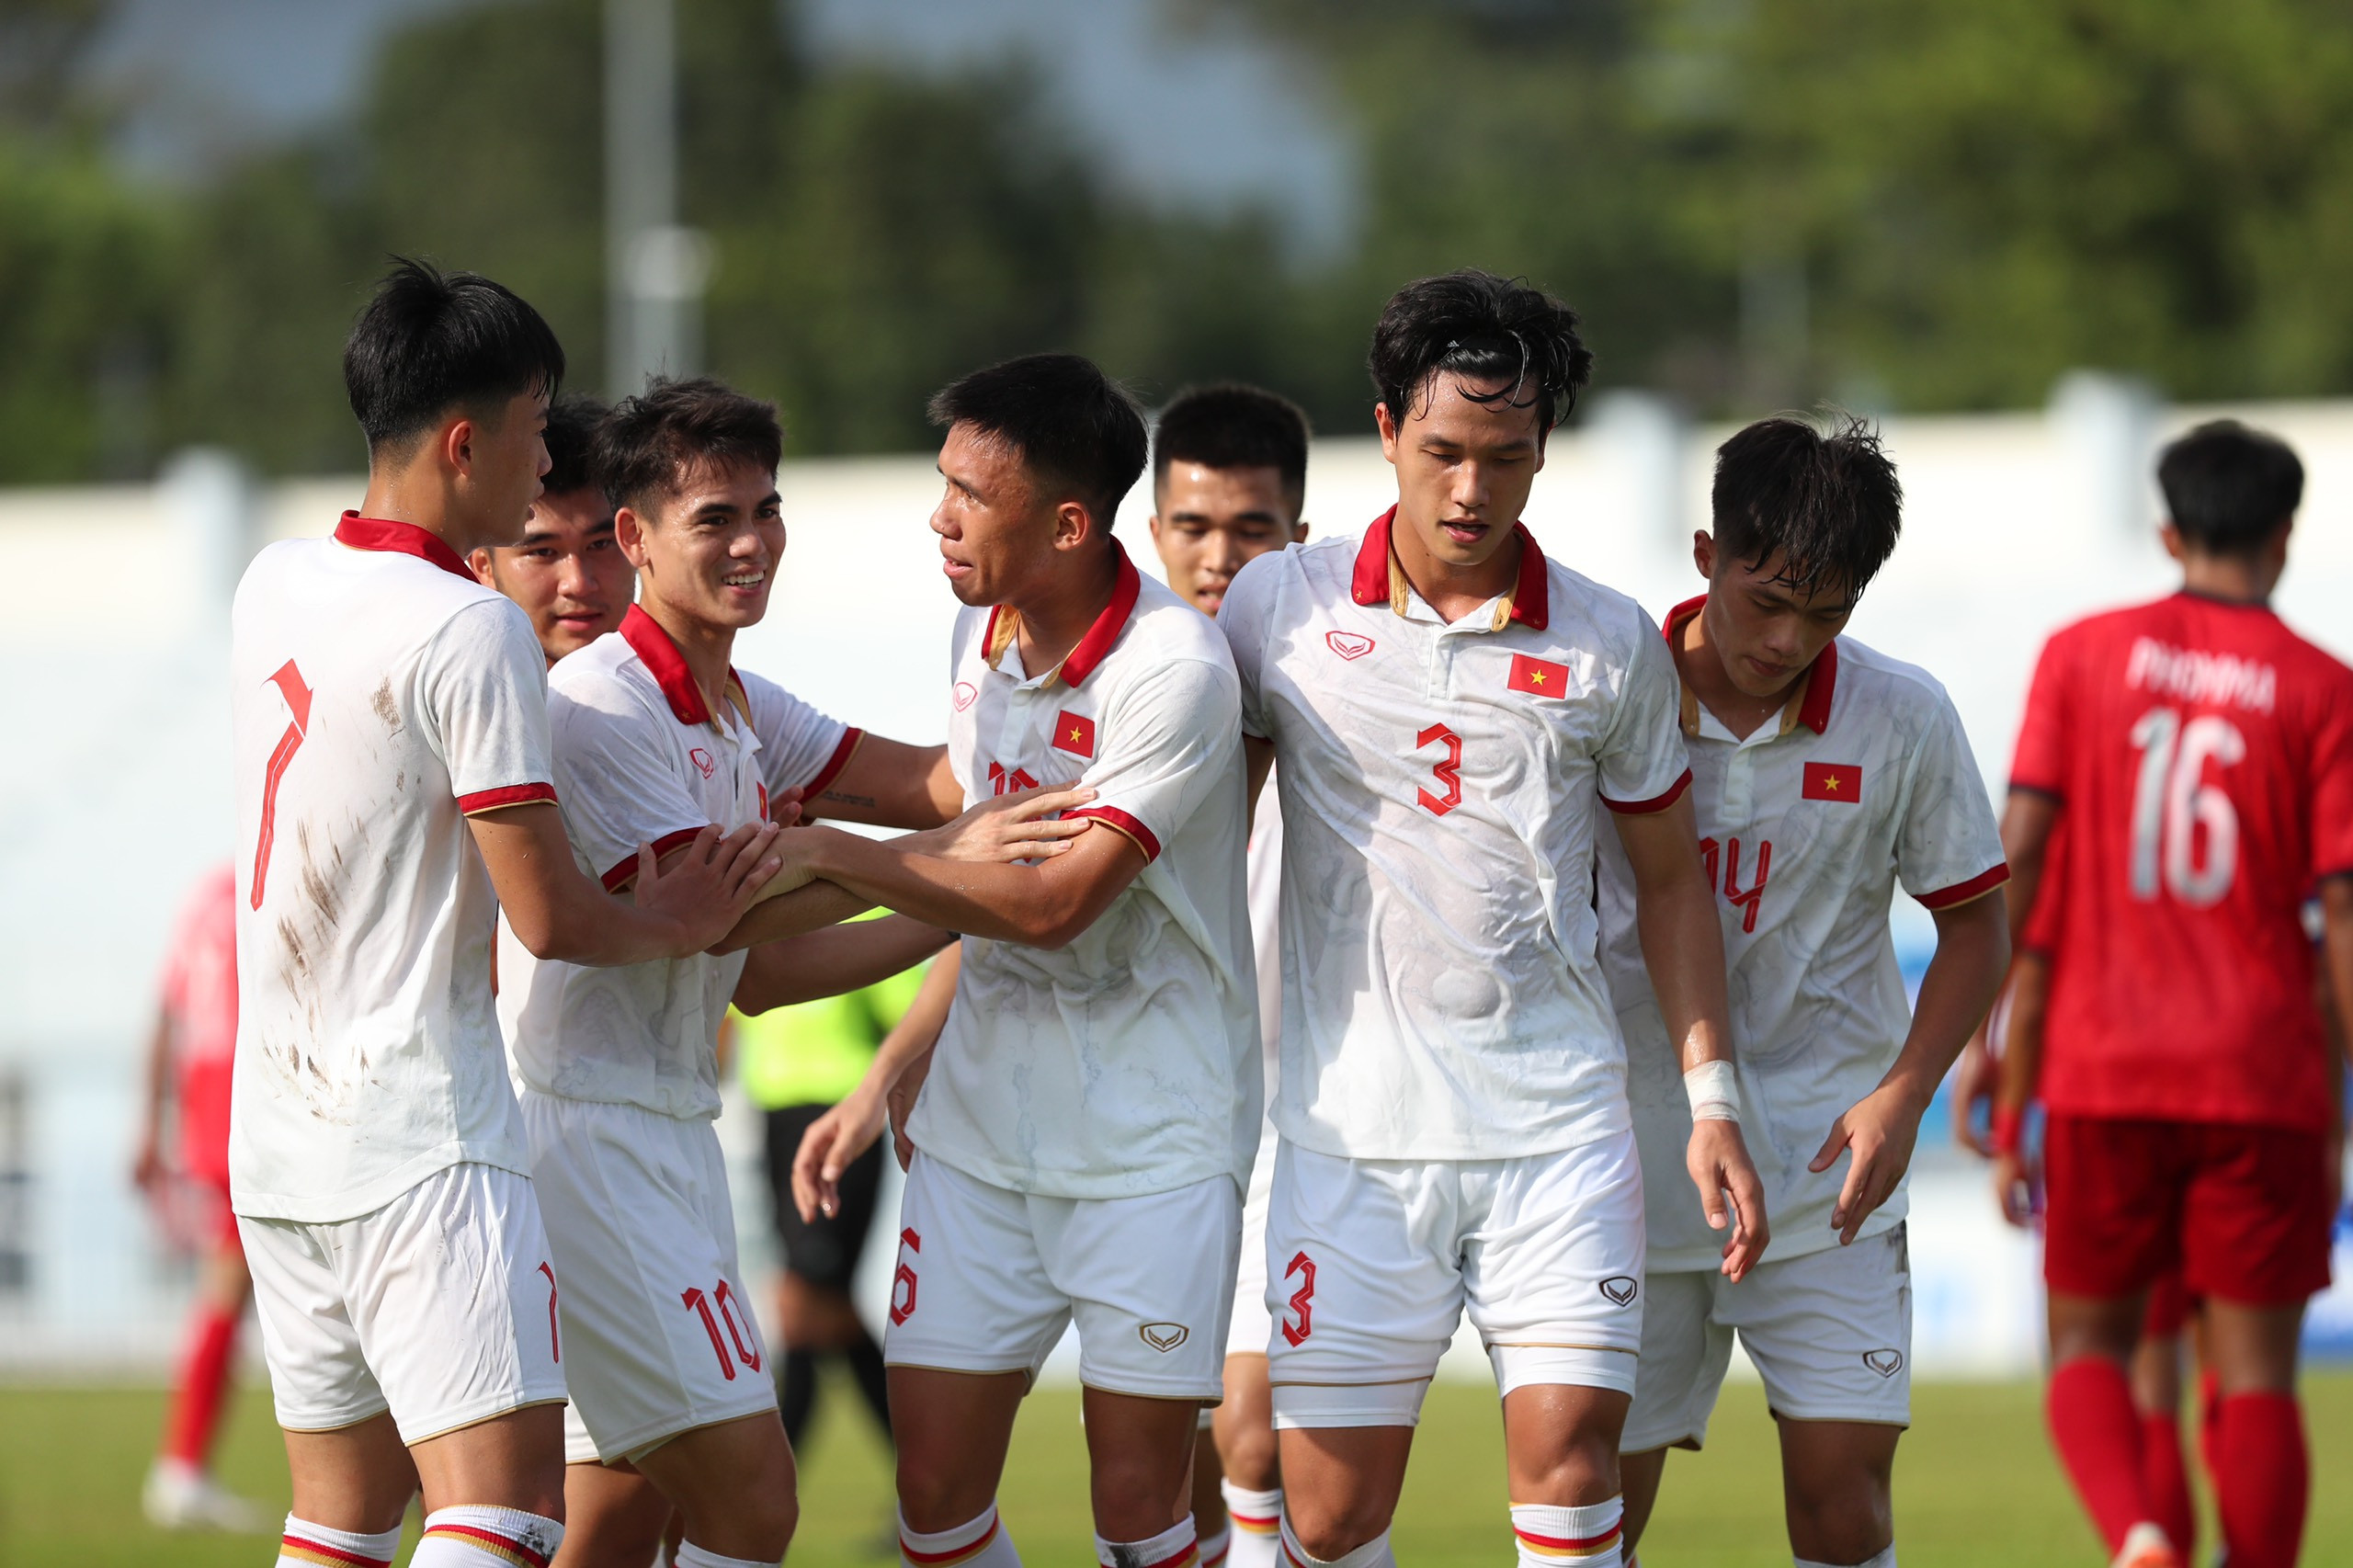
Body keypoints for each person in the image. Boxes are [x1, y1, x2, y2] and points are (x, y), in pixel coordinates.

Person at [230, 258, 791, 1568]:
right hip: (424, 1130)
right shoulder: (471, 628)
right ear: (468, 441)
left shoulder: (273, 581)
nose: (549, 467)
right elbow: (555, 916)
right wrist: (687, 916)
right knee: (506, 1511)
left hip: (277, 1132)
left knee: (344, 1516)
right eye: (540, 433)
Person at [1213, 269, 1768, 1568]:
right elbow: (1198, 840)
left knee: (1576, 1479)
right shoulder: (1277, 612)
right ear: (1389, 430)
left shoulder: (1611, 642)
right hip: (1351, 1137)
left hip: (1557, 1131)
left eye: (1507, 458)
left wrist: (1713, 1098)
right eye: (1446, 451)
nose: (1471, 489)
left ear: (1543, 454)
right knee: (1332, 1517)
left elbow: (1672, 881)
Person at [495, 376, 1088, 1568]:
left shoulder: (740, 707)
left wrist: (1055, 675)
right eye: (714, 518)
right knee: (756, 1499)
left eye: (766, 510)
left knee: (621, 1514)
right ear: (638, 538)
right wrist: (929, 860)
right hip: (587, 1137)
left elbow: (931, 795)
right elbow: (719, 918)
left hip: (668, 1133)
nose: (752, 541)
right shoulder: (601, 702)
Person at [785, 352, 1259, 1568]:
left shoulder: (1177, 670)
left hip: (1153, 1141)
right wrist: (892, 1067)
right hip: (983, 1134)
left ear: (1066, 522)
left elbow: (1047, 903)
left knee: (1141, 1511)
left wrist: (837, 852)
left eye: (969, 496)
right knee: (933, 1498)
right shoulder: (978, 627)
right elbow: (959, 805)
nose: (939, 516)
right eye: (941, 484)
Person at [1598, 416, 2011, 1568]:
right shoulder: (1605, 694)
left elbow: (1976, 928)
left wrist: (1902, 1096)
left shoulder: (1903, 714)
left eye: (1824, 613)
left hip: (1830, 1169)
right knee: (1595, 1510)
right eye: (1764, 598)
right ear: (1705, 553)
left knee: (1842, 1513)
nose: (1785, 638)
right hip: (1633, 1157)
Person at [1997, 418, 2353, 1568]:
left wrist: (1987, 1027)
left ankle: (2141, 1533)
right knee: (2253, 1377)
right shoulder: (2325, 690)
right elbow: (2343, 910)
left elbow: (2023, 845)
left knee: (2093, 1348)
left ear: (2166, 529)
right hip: (2260, 1068)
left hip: (2103, 1062)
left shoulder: (2080, 653)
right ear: (2284, 538)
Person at [1145, 383, 1313, 1568]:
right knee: (1165, 1459)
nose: (1219, 558)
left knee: (1254, 1435)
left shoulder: (1333, 687)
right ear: (1150, 530)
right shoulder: (1121, 695)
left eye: (1251, 530)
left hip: (1296, 1122)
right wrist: (898, 1059)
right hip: (1149, 1122)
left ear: (1294, 539)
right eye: (1194, 528)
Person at [736, 958, 926, 1457]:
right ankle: (924, 1468)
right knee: (824, 1310)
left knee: (803, 1302)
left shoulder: (867, 909)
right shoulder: (758, 910)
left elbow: (914, 1015)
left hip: (840, 1121)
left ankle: (770, 1491)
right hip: (774, 1121)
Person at [134, 863, 264, 1532]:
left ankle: (182, 1468)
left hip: (206, 1115)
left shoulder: (201, 900)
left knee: (233, 1287)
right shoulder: (264, 883)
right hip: (256, 1109)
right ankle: (179, 1470)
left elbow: (165, 1014)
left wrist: (149, 1130)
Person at [468, 392, 635, 661]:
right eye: (543, 552)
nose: (578, 584)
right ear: (484, 568)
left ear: (635, 541)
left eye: (601, 544)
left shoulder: (703, 695)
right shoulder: (454, 694)